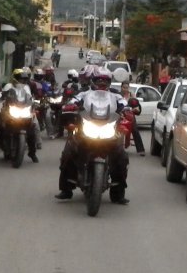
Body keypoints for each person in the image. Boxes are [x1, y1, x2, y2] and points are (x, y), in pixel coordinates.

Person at [55, 66, 132, 204]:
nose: (102, 83)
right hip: (86, 128)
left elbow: (124, 105)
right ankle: (66, 189)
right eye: (99, 80)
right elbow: (72, 102)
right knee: (69, 152)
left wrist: (128, 109)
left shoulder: (116, 95)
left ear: (109, 82)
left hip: (108, 130)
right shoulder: (84, 93)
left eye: (105, 80)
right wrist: (70, 106)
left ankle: (118, 193)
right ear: (93, 80)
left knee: (121, 157)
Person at [0, 67, 40, 162]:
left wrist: (35, 101)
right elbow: (1, 94)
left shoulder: (26, 87)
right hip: (10, 109)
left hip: (23, 110)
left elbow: (30, 98)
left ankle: (32, 153)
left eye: (23, 79)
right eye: (20, 78)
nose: (22, 80)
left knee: (33, 127)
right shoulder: (8, 86)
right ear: (15, 78)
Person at [118, 80, 146, 156]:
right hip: (119, 115)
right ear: (121, 87)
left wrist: (136, 108)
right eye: (124, 87)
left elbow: (136, 105)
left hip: (129, 115)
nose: (125, 89)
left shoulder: (131, 95)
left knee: (135, 129)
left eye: (127, 88)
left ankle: (141, 150)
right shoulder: (118, 95)